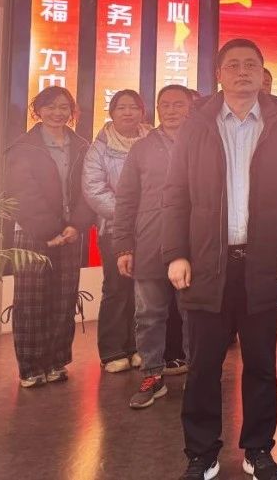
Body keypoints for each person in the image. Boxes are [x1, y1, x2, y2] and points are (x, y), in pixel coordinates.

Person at [163, 38, 277, 480]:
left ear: (263, 74)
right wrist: (176, 253)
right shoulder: (196, 126)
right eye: (233, 65)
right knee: (204, 365)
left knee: (261, 363)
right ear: (219, 75)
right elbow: (176, 193)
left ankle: (258, 448)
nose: (242, 72)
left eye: (251, 65)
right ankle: (201, 452)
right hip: (208, 263)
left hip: (261, 262)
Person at [5, 86, 94, 388]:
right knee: (31, 301)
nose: (58, 113)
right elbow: (22, 193)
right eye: (50, 107)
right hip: (33, 234)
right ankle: (31, 366)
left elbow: (88, 190)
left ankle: (56, 361)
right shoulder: (23, 147)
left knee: (64, 299)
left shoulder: (82, 146)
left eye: (64, 107)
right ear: (38, 110)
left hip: (70, 234)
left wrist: (76, 226)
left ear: (72, 111)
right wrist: (50, 230)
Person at [113, 84, 194, 409]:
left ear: (190, 108)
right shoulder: (142, 148)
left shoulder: (203, 142)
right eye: (165, 105)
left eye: (178, 104)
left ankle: (199, 375)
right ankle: (152, 375)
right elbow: (126, 198)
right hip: (149, 243)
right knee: (148, 315)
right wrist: (123, 245)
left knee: (195, 314)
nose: (171, 110)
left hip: (193, 245)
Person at [83, 89, 151, 373]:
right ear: (111, 112)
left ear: (142, 112)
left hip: (150, 228)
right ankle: (112, 351)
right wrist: (128, 215)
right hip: (115, 228)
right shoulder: (99, 147)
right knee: (116, 287)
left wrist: (148, 215)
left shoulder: (153, 140)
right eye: (121, 107)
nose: (128, 112)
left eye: (133, 107)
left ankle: (139, 346)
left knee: (145, 289)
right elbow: (94, 189)